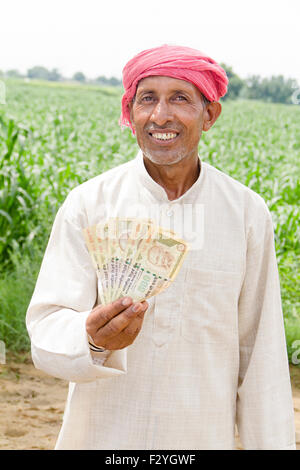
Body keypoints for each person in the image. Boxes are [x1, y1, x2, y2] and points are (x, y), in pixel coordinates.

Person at [26, 44, 296, 450]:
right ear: (129, 113)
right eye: (147, 98)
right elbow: (46, 328)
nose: (160, 115)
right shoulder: (90, 203)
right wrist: (94, 338)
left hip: (201, 435)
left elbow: (261, 355)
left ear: (210, 115)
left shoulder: (245, 213)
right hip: (103, 438)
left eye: (180, 99)